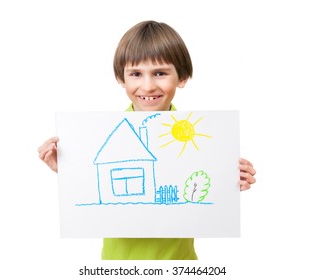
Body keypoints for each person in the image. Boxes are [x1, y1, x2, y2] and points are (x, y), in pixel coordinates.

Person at [38, 20, 256, 260]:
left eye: (160, 73)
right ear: (121, 78)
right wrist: (68, 169)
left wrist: (230, 181)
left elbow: (204, 194)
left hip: (180, 265)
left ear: (182, 77)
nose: (148, 85)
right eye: (136, 74)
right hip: (118, 266)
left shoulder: (200, 141)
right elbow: (95, 186)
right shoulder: (101, 136)